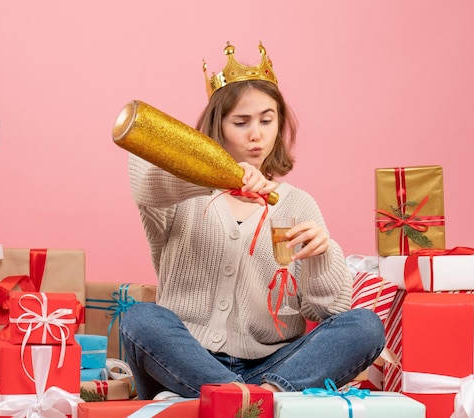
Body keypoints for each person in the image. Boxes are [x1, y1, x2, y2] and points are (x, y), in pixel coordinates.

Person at [119, 41, 385, 400]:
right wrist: (218, 172)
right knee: (141, 319)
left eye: (266, 120)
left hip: (273, 366)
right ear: (219, 126)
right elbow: (143, 178)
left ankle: (245, 400)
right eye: (241, 122)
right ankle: (257, 402)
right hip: (184, 360)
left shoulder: (298, 204)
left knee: (365, 326)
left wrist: (322, 255)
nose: (256, 134)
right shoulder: (181, 197)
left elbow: (326, 311)